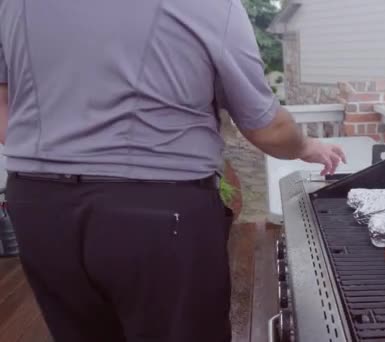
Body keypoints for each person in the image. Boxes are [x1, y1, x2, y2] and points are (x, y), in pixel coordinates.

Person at [0, 1, 345, 341]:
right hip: (157, 213)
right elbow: (266, 128)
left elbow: (4, 106)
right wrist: (307, 147)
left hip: (39, 208)